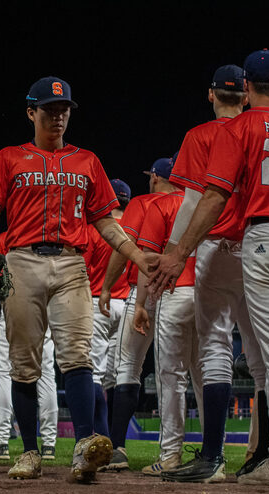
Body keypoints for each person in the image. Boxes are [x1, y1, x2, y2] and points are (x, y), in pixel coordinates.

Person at [149, 49, 269, 486]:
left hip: (259, 239)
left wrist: (179, 250)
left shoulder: (238, 127)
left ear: (248, 86)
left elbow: (210, 196)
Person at [0, 76, 156, 482]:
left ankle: (85, 449)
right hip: (21, 260)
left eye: (64, 110)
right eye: (50, 110)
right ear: (31, 112)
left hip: (72, 265)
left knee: (78, 356)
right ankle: (31, 452)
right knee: (24, 363)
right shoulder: (9, 157)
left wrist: (138, 255)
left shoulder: (87, 161)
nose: (58, 117)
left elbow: (105, 221)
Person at [157, 64, 268, 483]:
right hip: (261, 244)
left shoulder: (201, 136)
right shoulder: (262, 129)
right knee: (265, 357)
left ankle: (213, 457)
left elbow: (191, 202)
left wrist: (174, 252)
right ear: (245, 94)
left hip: (216, 248)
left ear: (210, 95)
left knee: (216, 347)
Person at [99, 157, 183, 475]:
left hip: (147, 291)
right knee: (183, 373)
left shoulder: (145, 202)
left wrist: (108, 286)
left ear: (156, 178)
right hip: (186, 291)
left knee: (128, 366)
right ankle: (191, 453)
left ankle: (117, 447)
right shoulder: (193, 204)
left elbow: (128, 248)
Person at [131, 180, 203, 476]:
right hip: (209, 293)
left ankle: (171, 454)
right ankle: (215, 454)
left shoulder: (162, 205)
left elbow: (146, 260)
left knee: (171, 377)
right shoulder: (210, 202)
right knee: (207, 376)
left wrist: (140, 304)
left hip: (174, 294)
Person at [0, 232, 59, 461]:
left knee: (6, 375)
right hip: (46, 313)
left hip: (14, 312)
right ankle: (49, 445)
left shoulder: (6, 238)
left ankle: (1, 443)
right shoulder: (51, 236)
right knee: (46, 375)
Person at [83, 178, 131, 438]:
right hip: (129, 304)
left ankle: (99, 436)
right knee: (119, 375)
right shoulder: (136, 226)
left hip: (98, 301)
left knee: (93, 374)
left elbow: (83, 270)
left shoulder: (97, 228)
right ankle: (116, 440)